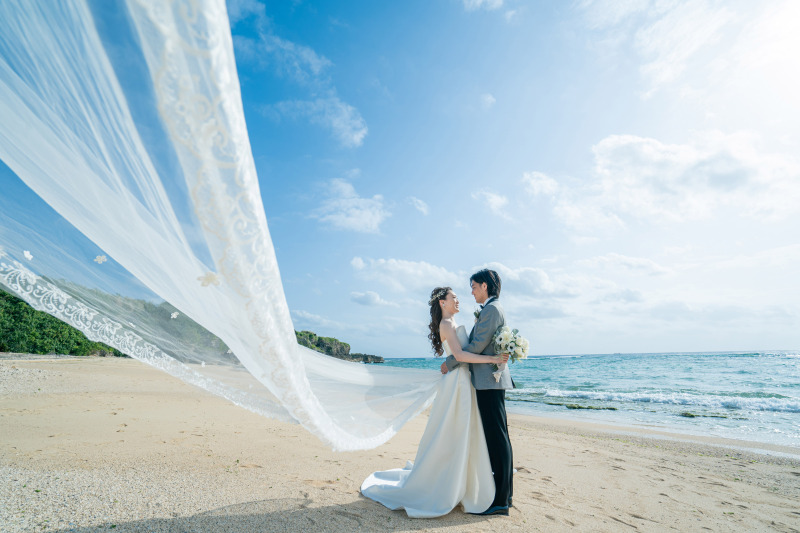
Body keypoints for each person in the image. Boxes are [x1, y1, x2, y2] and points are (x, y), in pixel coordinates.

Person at [360, 286, 509, 518]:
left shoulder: (454, 321)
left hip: (466, 381)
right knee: (452, 431)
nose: (458, 300)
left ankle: (466, 483)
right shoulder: (446, 325)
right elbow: (459, 356)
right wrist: (492, 358)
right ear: (442, 303)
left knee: (466, 431)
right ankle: (449, 483)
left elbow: (470, 348)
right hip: (457, 384)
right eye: (454, 298)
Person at [442, 269, 514, 515]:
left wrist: (450, 362)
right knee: (500, 436)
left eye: (473, 286)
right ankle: (506, 495)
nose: (471, 291)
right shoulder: (492, 308)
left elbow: (476, 345)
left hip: (489, 381)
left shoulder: (492, 310)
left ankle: (501, 501)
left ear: (484, 286)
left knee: (497, 439)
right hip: (490, 380)